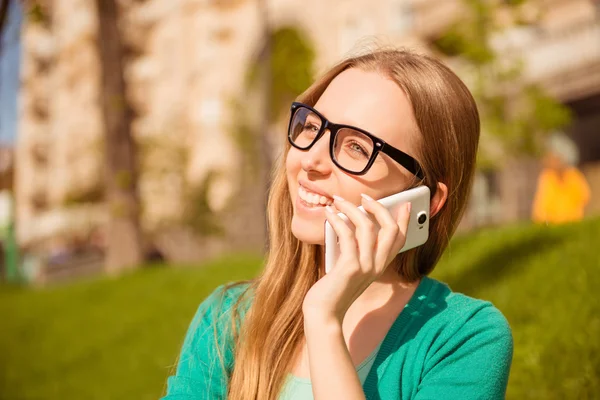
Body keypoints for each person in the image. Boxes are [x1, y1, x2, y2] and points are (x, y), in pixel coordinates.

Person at [162, 49, 513, 400]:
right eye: (313, 126)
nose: (311, 159)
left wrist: (323, 318)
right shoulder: (229, 320)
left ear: (427, 200)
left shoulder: (464, 337)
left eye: (357, 148)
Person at [532, 150, 591, 224]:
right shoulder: (547, 177)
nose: (552, 164)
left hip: (574, 221)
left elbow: (585, 197)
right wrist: (545, 222)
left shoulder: (573, 175)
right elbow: (540, 206)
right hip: (554, 224)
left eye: (554, 160)